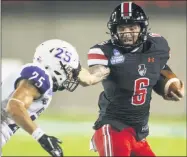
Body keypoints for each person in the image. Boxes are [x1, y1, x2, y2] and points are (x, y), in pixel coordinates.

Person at [78, 2, 184, 156]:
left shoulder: (157, 46)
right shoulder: (105, 51)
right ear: (114, 30)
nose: (127, 33)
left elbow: (160, 68)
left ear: (142, 28)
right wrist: (85, 76)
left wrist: (171, 83)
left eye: (132, 27)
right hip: (114, 128)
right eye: (121, 28)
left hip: (138, 134)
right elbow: (97, 73)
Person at [1, 39, 81, 156]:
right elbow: (14, 106)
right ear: (56, 66)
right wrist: (41, 137)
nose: (69, 77)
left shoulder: (37, 76)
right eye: (68, 71)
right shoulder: (41, 76)